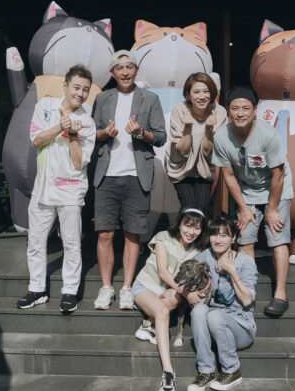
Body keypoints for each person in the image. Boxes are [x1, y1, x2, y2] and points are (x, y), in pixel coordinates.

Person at [16, 64, 96, 314]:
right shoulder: (45, 106)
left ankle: (69, 291)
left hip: (71, 189)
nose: (80, 93)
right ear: (65, 86)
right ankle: (37, 289)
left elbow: (78, 162)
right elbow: (36, 140)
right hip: (42, 188)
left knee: (71, 243)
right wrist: (60, 126)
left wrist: (72, 134)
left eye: (85, 89)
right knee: (35, 241)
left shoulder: (87, 121)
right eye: (76, 87)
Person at [92, 49, 166, 310]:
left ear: (136, 70)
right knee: (105, 233)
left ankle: (126, 287)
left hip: (137, 175)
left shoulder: (150, 99)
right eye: (119, 68)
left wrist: (141, 133)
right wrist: (104, 133)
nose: (125, 72)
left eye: (129, 67)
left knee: (132, 235)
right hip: (107, 175)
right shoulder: (102, 98)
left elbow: (160, 137)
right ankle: (106, 287)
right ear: (112, 73)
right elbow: (91, 134)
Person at [211, 86, 293, 318]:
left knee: (277, 237)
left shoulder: (268, 135)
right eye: (235, 108)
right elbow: (228, 175)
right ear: (228, 111)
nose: (240, 113)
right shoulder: (221, 137)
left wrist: (272, 210)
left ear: (255, 110)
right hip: (248, 190)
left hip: (277, 188)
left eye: (245, 108)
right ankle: (248, 290)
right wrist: (244, 209)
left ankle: (280, 294)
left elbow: (278, 175)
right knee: (245, 238)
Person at [132, 208, 208, 391]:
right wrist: (187, 294)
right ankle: (168, 372)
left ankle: (147, 324)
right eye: (187, 225)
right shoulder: (163, 237)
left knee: (175, 298)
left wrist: (188, 291)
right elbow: (163, 273)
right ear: (179, 224)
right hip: (146, 287)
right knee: (163, 311)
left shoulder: (198, 251)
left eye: (197, 228)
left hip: (169, 292)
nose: (191, 232)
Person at [188, 216, 257, 391]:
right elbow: (186, 277)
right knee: (199, 310)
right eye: (214, 234)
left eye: (224, 235)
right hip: (213, 328)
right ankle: (206, 371)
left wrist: (232, 272)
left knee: (214, 315)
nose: (217, 240)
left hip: (241, 327)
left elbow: (247, 300)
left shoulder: (245, 261)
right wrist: (189, 293)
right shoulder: (205, 257)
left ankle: (232, 370)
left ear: (233, 238)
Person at [166, 72, 227, 218]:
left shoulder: (219, 112)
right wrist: (187, 127)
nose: (202, 96)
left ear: (212, 93)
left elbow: (208, 151)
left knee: (201, 210)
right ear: (188, 95)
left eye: (206, 91)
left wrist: (209, 130)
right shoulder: (179, 110)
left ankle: (194, 234)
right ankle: (182, 232)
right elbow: (182, 150)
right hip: (180, 166)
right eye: (197, 92)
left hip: (204, 167)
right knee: (189, 208)